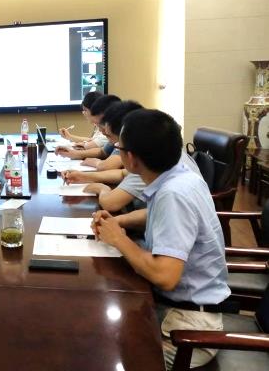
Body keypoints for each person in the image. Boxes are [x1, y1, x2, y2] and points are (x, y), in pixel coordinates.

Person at [92, 109, 230, 369]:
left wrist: (119, 239)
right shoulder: (180, 177)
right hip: (181, 311)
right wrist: (119, 222)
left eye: (119, 148)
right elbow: (161, 217)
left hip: (188, 330)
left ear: (131, 158)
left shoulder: (173, 195)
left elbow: (165, 276)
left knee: (100, 352)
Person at [64, 100, 199, 212]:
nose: (115, 147)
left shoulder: (149, 163)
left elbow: (111, 203)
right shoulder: (164, 151)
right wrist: (84, 176)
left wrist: (101, 188)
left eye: (118, 146)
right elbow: (123, 174)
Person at [55, 94, 122, 171]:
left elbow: (108, 167)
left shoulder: (125, 137)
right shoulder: (115, 135)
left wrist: (97, 163)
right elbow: (103, 151)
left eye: (101, 125)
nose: (101, 131)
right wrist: (72, 153)